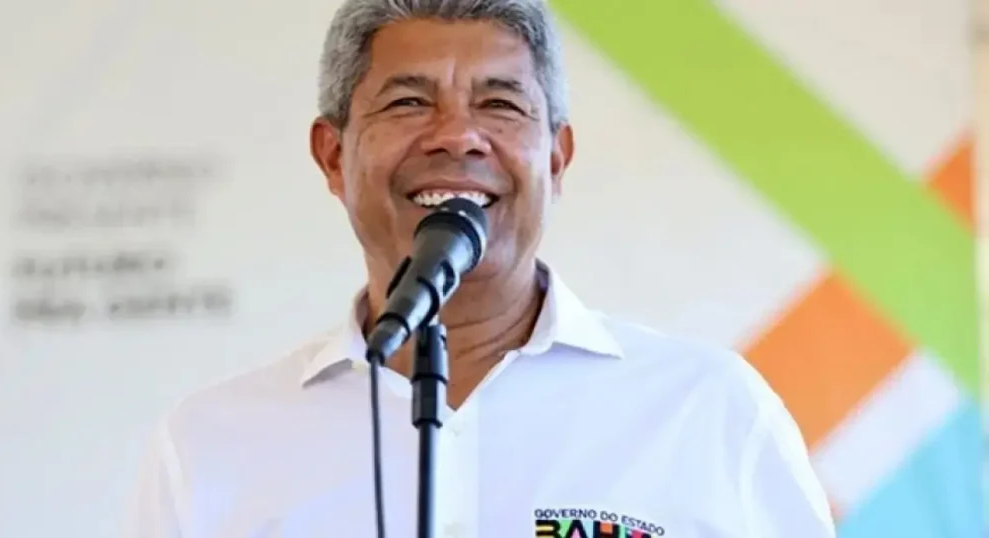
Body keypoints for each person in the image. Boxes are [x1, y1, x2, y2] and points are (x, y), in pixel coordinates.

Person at [124, 0, 837, 536]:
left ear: (556, 158)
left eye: (499, 103)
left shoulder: (706, 411)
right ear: (333, 156)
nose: (458, 136)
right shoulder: (211, 444)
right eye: (408, 102)